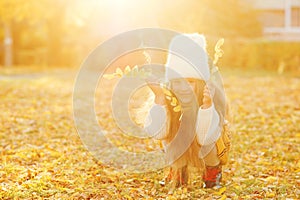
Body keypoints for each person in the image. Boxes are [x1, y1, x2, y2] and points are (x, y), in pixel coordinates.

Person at [144, 33, 231, 188]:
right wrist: (160, 99)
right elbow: (158, 133)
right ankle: (178, 171)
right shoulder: (169, 97)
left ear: (199, 83)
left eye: (190, 82)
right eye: (178, 82)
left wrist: (206, 107)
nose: (183, 88)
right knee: (172, 137)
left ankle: (212, 173)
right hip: (181, 144)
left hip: (206, 144)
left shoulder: (212, 96)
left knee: (207, 144)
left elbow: (207, 138)